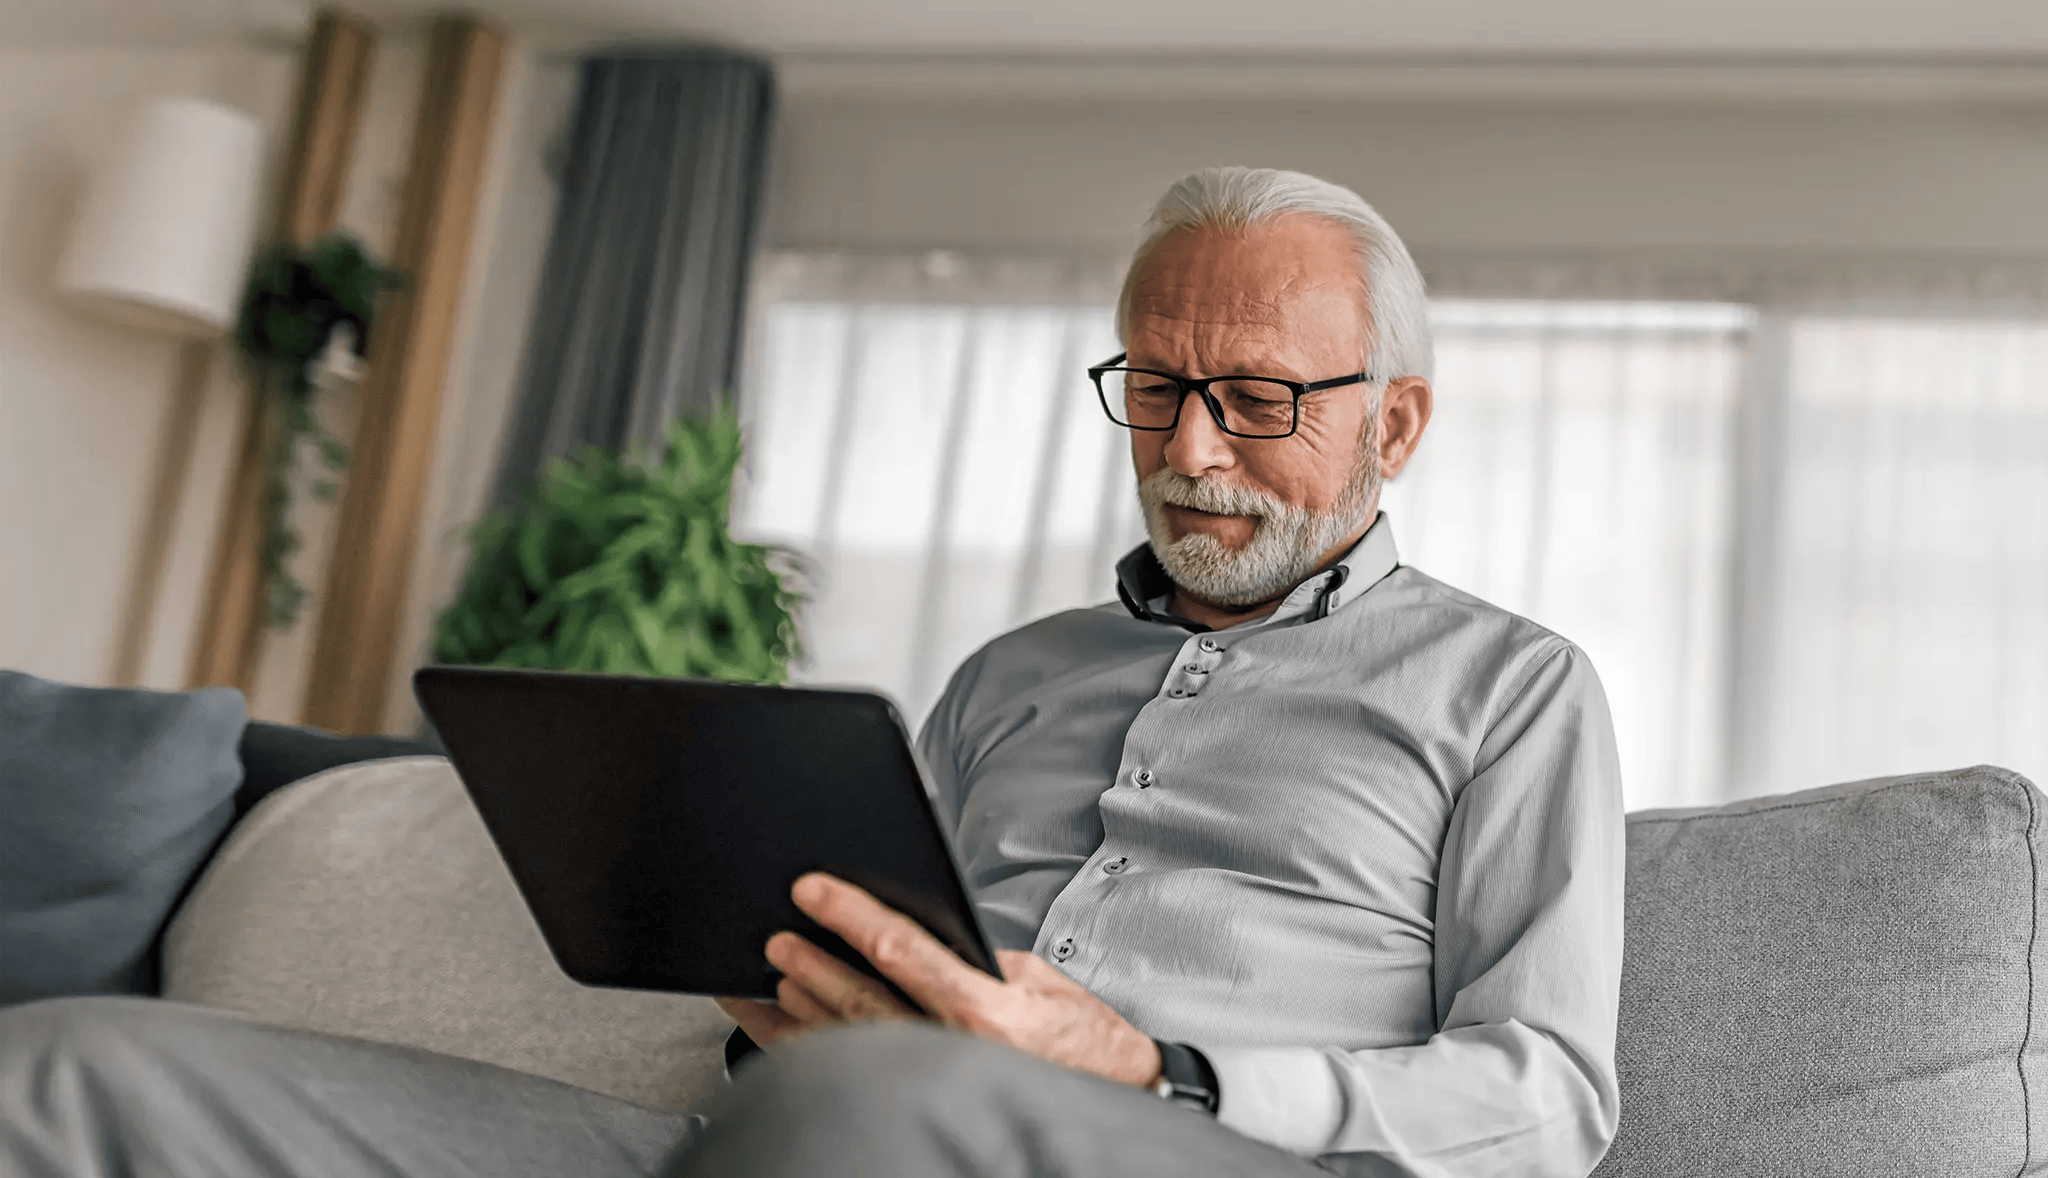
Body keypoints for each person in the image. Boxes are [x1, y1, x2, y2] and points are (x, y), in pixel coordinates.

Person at [0, 167, 1623, 1178]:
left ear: (1392, 424)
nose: (1191, 451)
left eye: (1258, 399)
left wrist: (1160, 1070)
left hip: (1160, 1149)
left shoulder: (1512, 689)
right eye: (1154, 388)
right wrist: (787, 1003)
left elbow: (1548, 1101)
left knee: (864, 1123)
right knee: (67, 1068)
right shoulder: (1010, 678)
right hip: (790, 1134)